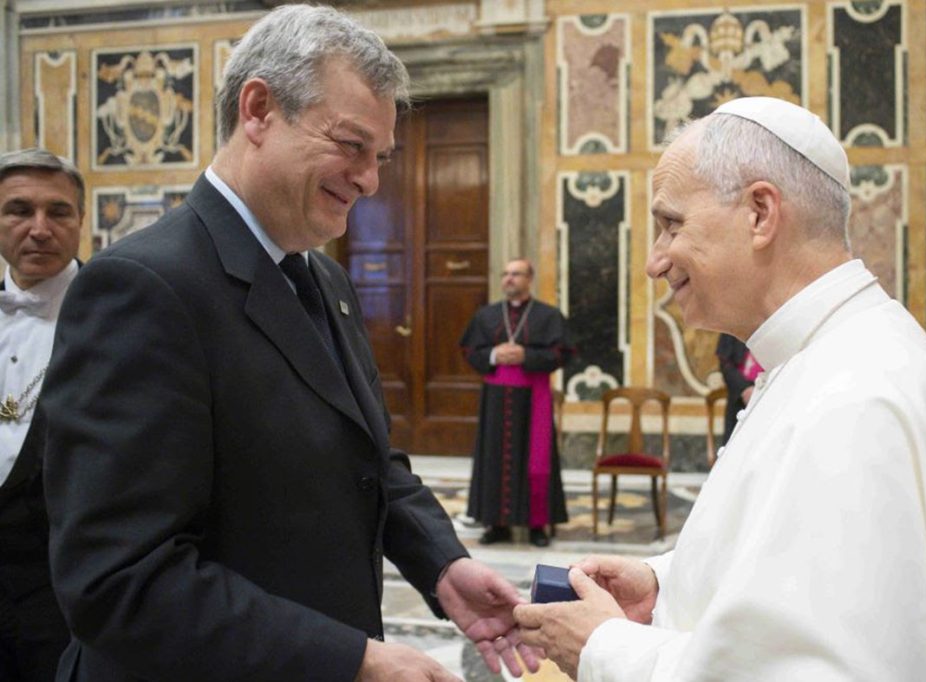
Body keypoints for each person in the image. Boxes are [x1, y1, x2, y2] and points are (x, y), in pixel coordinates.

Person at [40, 6, 540, 681]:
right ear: (258, 109)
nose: (369, 179)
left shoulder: (322, 277)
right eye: (351, 145)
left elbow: (366, 455)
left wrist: (443, 563)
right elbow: (118, 580)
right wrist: (351, 660)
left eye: (380, 157)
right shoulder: (143, 288)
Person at [513, 96, 926, 680]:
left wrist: (604, 648)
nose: (655, 262)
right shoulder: (828, 358)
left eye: (671, 225)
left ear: (760, 213)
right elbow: (798, 570)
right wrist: (665, 581)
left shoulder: (856, 402)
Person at [0, 148, 81, 682]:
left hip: (65, 591)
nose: (39, 228)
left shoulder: (124, 312)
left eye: (59, 212)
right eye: (18, 210)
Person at [460, 259, 573, 548]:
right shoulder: (486, 315)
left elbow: (563, 352)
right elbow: (469, 349)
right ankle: (495, 525)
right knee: (493, 457)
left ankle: (537, 526)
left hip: (532, 398)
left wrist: (527, 356)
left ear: (529, 279)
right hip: (495, 401)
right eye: (506, 274)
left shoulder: (548, 316)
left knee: (535, 458)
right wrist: (494, 355)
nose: (509, 279)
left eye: (516, 274)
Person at [715, 333, 762, 443]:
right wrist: (744, 388)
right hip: (739, 401)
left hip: (771, 396)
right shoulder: (732, 320)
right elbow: (725, 363)